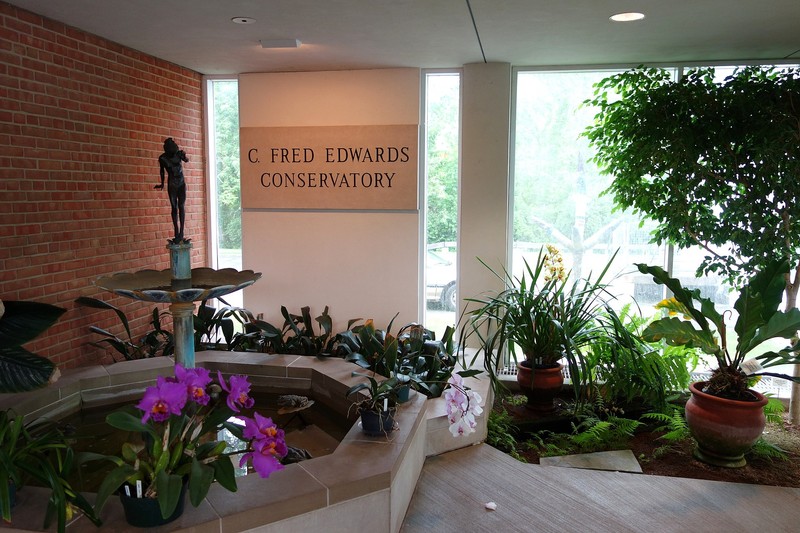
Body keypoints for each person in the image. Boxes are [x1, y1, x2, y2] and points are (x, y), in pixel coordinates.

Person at [155, 138, 189, 242]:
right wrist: (162, 183)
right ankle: (176, 231)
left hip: (181, 183)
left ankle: (181, 232)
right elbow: (162, 171)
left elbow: (186, 160)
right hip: (172, 184)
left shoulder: (178, 154)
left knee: (181, 206)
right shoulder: (162, 158)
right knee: (174, 207)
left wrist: (184, 155)